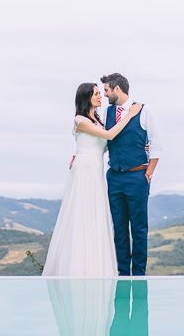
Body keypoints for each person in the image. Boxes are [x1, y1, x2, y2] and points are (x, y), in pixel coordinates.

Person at [42, 83, 141, 277]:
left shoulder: (96, 120)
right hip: (85, 171)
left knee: (94, 216)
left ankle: (95, 267)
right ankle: (79, 269)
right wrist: (129, 115)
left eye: (100, 93)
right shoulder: (80, 120)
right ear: (86, 97)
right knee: (82, 216)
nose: (100, 97)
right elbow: (109, 135)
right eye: (96, 94)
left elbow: (102, 146)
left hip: (95, 170)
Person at [101, 73, 162, 277]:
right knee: (119, 229)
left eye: (107, 90)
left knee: (138, 230)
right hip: (114, 178)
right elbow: (101, 141)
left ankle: (138, 276)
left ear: (117, 89)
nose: (105, 94)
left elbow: (156, 144)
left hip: (137, 177)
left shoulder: (145, 111)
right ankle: (122, 275)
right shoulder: (107, 113)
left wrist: (148, 174)